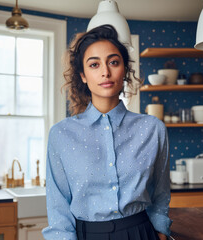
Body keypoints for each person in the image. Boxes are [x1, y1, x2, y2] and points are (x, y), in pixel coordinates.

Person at [42, 24, 172, 240]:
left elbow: (160, 192)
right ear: (83, 76)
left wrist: (160, 231)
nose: (105, 72)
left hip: (141, 233)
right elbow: (58, 206)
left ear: (125, 70)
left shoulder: (152, 129)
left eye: (113, 62)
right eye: (94, 64)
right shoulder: (61, 134)